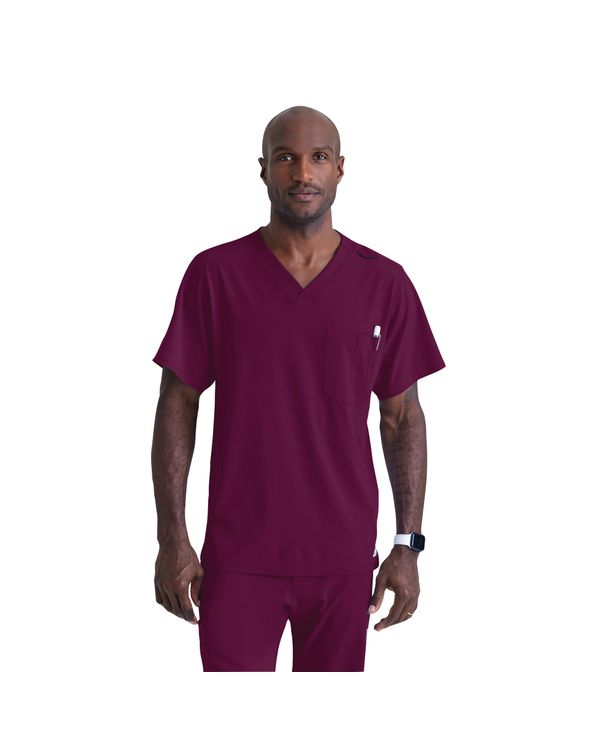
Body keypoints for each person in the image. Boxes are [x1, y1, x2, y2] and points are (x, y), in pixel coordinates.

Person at [151, 105, 446, 672]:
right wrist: (172, 538)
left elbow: (402, 418)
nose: (303, 173)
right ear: (263, 169)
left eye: (318, 157)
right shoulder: (215, 275)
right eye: (286, 158)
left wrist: (406, 544)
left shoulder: (383, 282)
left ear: (340, 168)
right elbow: (177, 404)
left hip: (343, 560)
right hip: (237, 559)